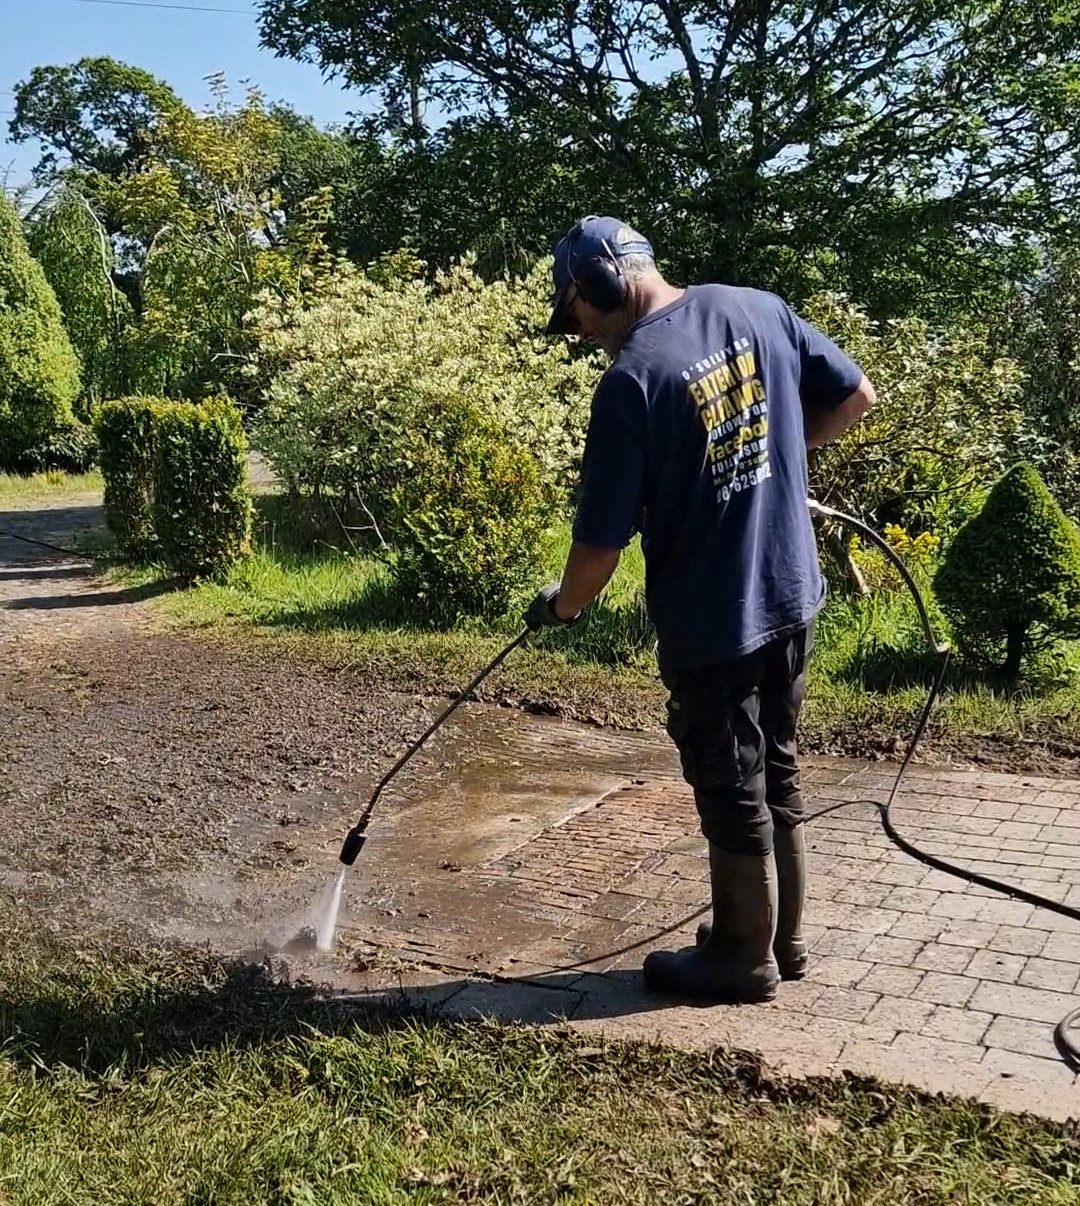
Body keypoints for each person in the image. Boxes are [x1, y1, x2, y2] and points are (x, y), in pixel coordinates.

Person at [525, 216, 875, 1004]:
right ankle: (784, 941)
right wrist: (776, 463)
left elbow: (597, 551)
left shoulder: (632, 381)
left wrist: (564, 608)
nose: (580, 332)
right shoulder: (757, 306)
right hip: (790, 594)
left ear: (600, 282)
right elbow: (856, 395)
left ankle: (740, 958)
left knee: (729, 781)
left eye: (575, 312)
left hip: (715, 619)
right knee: (775, 760)